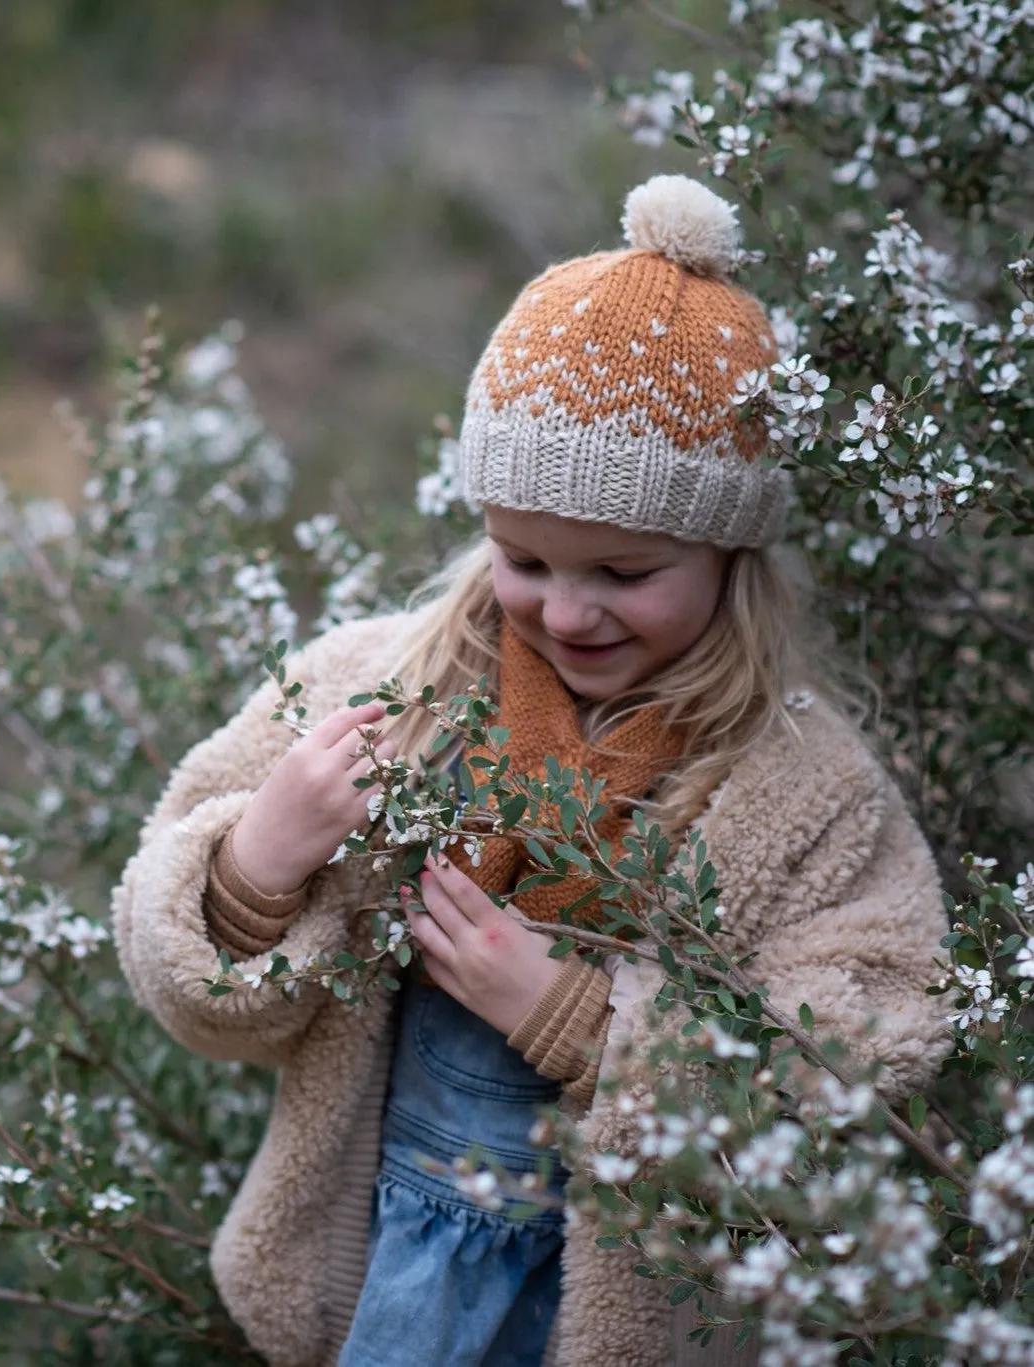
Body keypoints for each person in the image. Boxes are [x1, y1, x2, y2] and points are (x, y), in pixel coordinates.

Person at [111, 175, 950, 1367]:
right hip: (383, 1269)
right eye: (523, 557)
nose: (566, 609)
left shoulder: (799, 783)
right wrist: (254, 862)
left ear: (729, 551)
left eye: (621, 571)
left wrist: (594, 1026)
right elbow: (193, 985)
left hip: (636, 1311)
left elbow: (880, 1025)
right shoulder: (383, 691)